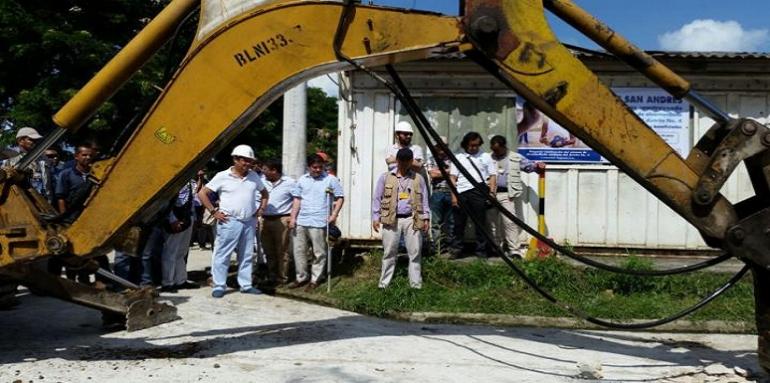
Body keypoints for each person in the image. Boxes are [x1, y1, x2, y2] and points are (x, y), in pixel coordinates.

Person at [198, 145, 269, 298]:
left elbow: (264, 193)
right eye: (245, 161)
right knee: (223, 253)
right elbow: (202, 193)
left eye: (251, 161)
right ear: (236, 159)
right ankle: (219, 285)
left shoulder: (254, 176)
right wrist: (213, 211)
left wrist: (261, 209)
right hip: (229, 221)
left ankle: (246, 284)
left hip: (249, 221)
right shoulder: (222, 176)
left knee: (247, 254)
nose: (248, 164)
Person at [50, 145, 110, 285]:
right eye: (84, 155)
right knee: (73, 251)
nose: (87, 158)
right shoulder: (66, 174)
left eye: (90, 155)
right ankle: (73, 281)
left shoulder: (97, 174)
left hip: (92, 219)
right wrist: (64, 219)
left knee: (94, 250)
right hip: (72, 219)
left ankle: (97, 280)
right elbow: (61, 197)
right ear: (76, 156)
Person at [372, 148, 429, 289]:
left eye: (407, 161)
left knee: (415, 252)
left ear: (411, 161)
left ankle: (415, 285)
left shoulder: (418, 178)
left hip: (412, 219)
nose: (403, 164)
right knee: (389, 252)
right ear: (397, 160)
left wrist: (426, 217)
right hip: (391, 220)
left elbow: (425, 199)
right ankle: (383, 285)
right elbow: (377, 198)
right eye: (401, 160)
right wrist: (375, 217)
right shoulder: (385, 177)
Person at [288, 154, 344, 291]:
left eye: (320, 167)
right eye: (315, 167)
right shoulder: (302, 180)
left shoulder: (331, 179)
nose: (318, 170)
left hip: (319, 221)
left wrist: (334, 215)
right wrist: (293, 217)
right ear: (308, 167)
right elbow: (297, 199)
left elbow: (340, 197)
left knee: (319, 253)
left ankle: (315, 279)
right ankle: (301, 277)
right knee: (299, 251)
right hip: (302, 220)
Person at [487, 136, 545, 258]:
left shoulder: (515, 157)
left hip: (507, 195)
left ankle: (514, 250)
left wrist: (538, 167)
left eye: (497, 150)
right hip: (489, 194)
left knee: (510, 223)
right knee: (491, 223)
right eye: (493, 150)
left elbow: (529, 167)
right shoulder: (487, 157)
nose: (495, 152)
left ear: (503, 147)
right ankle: (495, 247)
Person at [449, 132, 496, 258]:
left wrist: (492, 192)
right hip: (461, 192)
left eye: (476, 145)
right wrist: (454, 196)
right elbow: (452, 177)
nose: (474, 148)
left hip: (479, 191)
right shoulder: (458, 157)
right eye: (471, 145)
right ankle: (456, 250)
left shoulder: (486, 157)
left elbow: (492, 176)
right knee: (459, 223)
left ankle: (481, 251)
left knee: (480, 223)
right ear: (466, 144)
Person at [159, 181, 200, 292]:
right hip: (176, 217)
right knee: (170, 252)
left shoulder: (190, 181)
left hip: (188, 217)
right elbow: (166, 200)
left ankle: (180, 280)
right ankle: (167, 282)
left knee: (182, 252)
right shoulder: (174, 180)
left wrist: (193, 219)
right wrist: (172, 219)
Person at [261, 159, 296, 286]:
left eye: (265, 169)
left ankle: (282, 277)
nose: (263, 172)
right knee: (268, 250)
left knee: (282, 251)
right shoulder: (262, 182)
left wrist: (292, 217)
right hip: (264, 219)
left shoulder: (290, 183)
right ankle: (271, 275)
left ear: (274, 170)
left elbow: (297, 200)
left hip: (281, 219)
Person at [4, 127, 53, 199]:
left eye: (36, 140)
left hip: (42, 201)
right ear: (21, 140)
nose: (34, 142)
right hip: (17, 200)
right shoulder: (8, 157)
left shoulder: (43, 159)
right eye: (31, 139)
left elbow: (47, 182)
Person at [425, 136, 454, 254]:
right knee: (436, 222)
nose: (441, 148)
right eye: (439, 146)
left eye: (444, 146)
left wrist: (440, 172)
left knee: (451, 222)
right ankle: (438, 248)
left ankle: (450, 247)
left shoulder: (452, 159)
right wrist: (448, 172)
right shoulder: (431, 158)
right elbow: (433, 174)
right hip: (437, 192)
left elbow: (454, 173)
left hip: (451, 192)